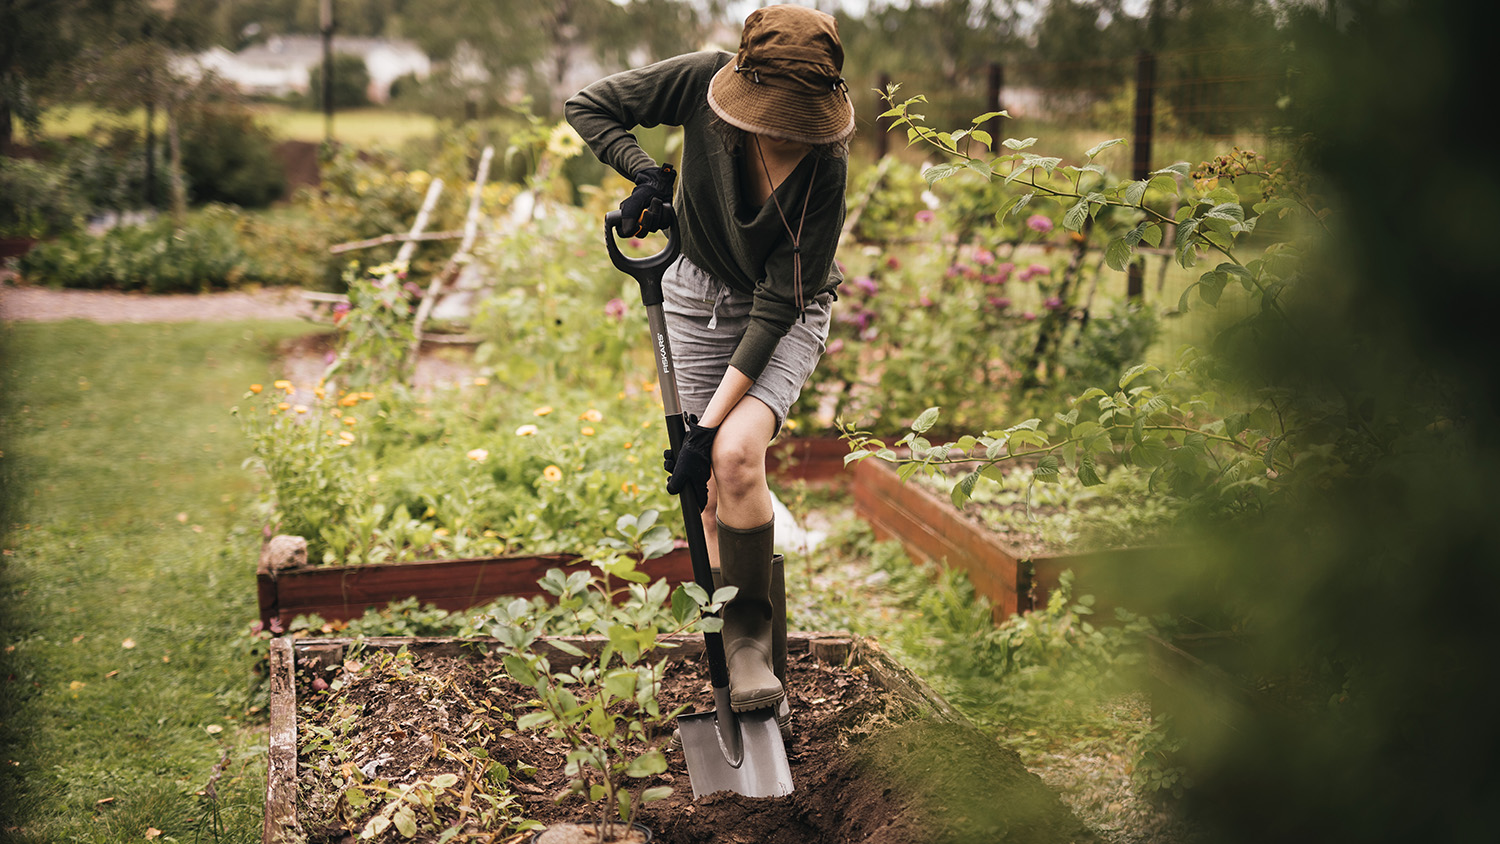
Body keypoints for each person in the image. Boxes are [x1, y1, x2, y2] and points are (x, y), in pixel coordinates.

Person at [566, 4, 853, 732]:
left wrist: (709, 427)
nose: (786, 131)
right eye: (773, 115)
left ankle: (751, 639)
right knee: (706, 497)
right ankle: (747, 669)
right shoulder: (701, 81)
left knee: (734, 456)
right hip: (694, 297)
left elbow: (778, 303)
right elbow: (589, 106)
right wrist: (646, 175)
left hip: (784, 310)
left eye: (800, 119)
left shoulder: (826, 165)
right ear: (745, 86)